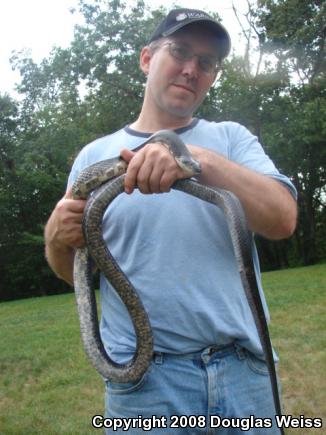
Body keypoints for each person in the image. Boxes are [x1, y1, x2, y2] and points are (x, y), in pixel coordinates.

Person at [44, 8, 297, 434]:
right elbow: (78, 277)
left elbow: (283, 219)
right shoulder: (93, 158)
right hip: (145, 385)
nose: (190, 69)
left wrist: (193, 157)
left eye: (206, 63)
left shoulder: (232, 139)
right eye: (179, 51)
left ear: (213, 77)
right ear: (147, 59)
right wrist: (55, 241)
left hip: (244, 375)